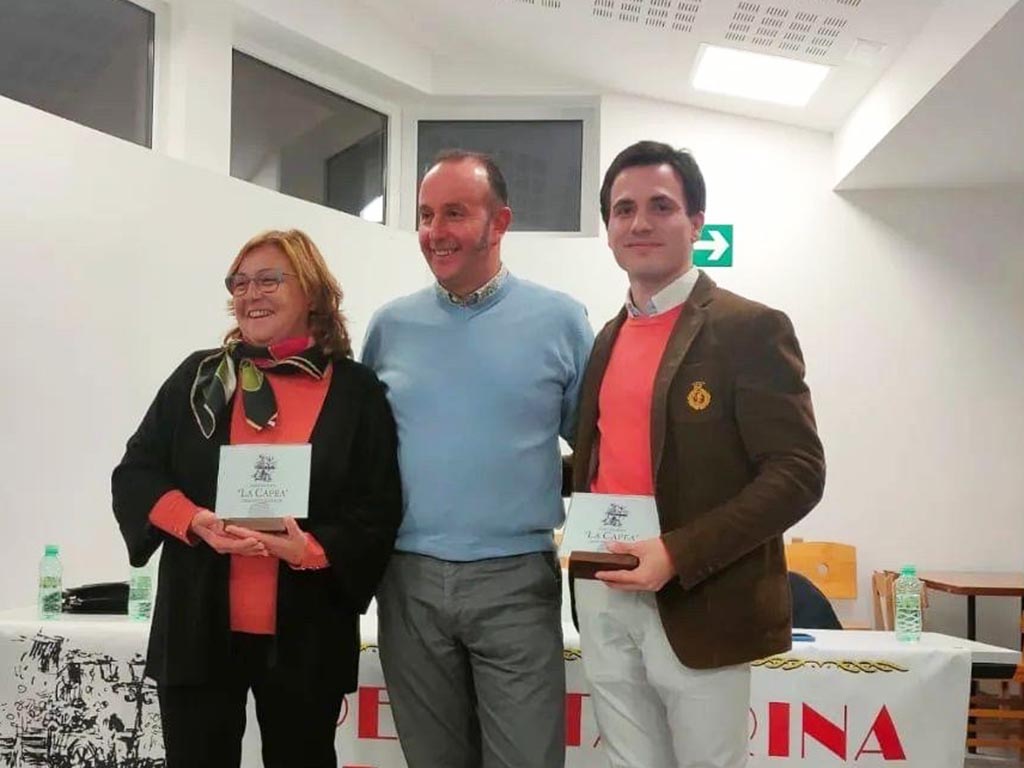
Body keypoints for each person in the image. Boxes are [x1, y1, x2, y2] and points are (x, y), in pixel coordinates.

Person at [570, 140, 826, 768]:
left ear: (696, 223)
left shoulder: (749, 328)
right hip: (604, 586)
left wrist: (678, 554)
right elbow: (602, 462)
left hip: (701, 595)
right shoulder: (606, 338)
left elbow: (798, 473)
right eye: (623, 209)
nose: (640, 222)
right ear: (608, 231)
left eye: (661, 206)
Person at [112, 229, 402, 768]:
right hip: (198, 627)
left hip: (306, 631)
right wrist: (194, 520)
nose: (251, 295)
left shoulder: (356, 391)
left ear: (313, 294)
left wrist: (309, 549)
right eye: (240, 283)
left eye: (270, 279)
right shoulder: (199, 379)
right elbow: (136, 472)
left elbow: (378, 507)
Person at [362, 149, 594, 768]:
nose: (436, 232)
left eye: (455, 213)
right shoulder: (390, 327)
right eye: (425, 215)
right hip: (407, 580)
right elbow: (362, 457)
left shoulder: (562, 321)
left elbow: (598, 453)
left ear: (500, 222)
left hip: (515, 578)